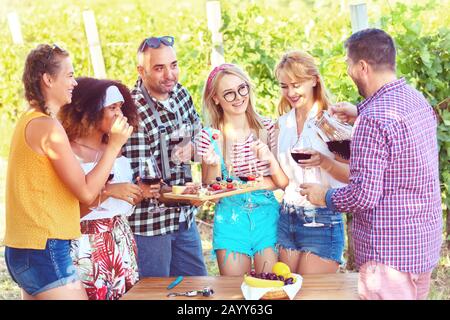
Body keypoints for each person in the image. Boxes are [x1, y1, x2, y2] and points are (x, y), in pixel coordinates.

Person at [300, 28, 442, 299]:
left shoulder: (373, 120)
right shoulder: (416, 101)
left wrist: (323, 196)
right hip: (421, 246)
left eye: (348, 64)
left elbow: (362, 195)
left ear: (362, 66)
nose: (348, 71)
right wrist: (358, 111)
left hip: (387, 258)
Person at [3, 44, 132, 300]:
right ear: (48, 79)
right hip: (45, 248)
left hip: (25, 247)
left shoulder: (29, 120)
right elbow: (85, 192)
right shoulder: (47, 126)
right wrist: (114, 145)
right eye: (70, 75)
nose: (74, 82)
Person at [59, 77, 154, 300]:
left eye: (121, 107)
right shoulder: (68, 152)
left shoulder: (116, 149)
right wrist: (108, 191)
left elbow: (118, 202)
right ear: (89, 111)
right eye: (112, 107)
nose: (120, 114)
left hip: (120, 239)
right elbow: (69, 214)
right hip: (86, 246)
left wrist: (137, 193)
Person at [122, 36, 207, 277]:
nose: (170, 74)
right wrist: (190, 195)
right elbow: (145, 182)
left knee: (198, 287)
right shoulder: (133, 109)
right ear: (141, 70)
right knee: (154, 293)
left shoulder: (181, 94)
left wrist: (191, 147)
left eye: (174, 65)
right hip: (150, 226)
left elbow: (199, 133)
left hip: (183, 219)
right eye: (159, 68)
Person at [195, 63, 286, 275]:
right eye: (228, 93)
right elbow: (212, 191)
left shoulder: (268, 127)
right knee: (234, 292)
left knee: (270, 288)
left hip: (267, 218)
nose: (238, 97)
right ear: (215, 98)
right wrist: (213, 163)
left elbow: (281, 179)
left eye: (241, 89)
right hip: (229, 221)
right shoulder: (209, 137)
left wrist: (248, 183)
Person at [272, 51, 350, 275]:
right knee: (284, 291)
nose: (291, 92)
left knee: (309, 295)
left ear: (314, 80)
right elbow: (284, 179)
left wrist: (324, 162)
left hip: (321, 219)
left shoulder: (330, 122)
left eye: (296, 84)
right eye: (284, 86)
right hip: (287, 218)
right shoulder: (282, 124)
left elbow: (352, 176)